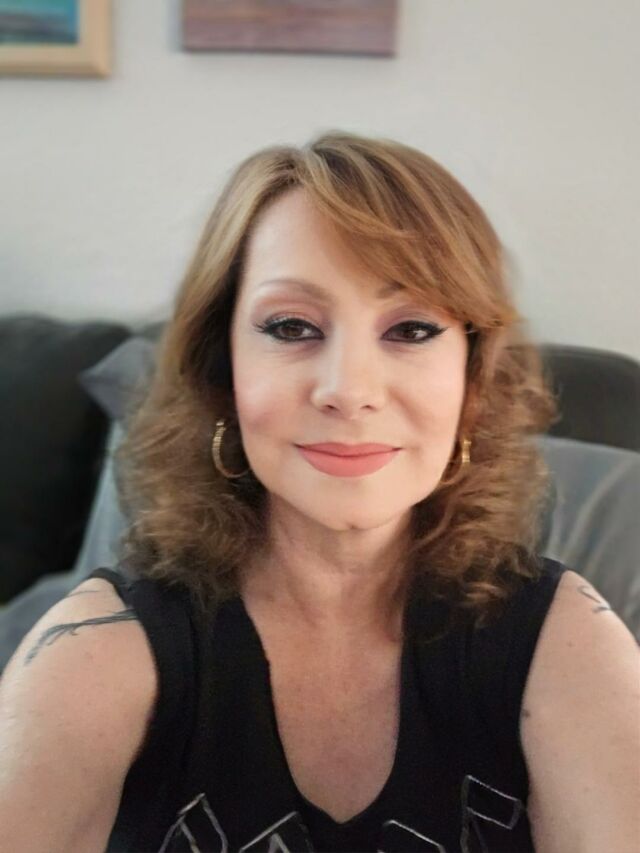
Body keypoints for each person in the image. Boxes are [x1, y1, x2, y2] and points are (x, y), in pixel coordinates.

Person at [1, 131, 638, 853]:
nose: (349, 389)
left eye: (412, 328)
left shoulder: (566, 641)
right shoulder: (97, 651)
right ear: (222, 371)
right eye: (292, 326)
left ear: (472, 379)